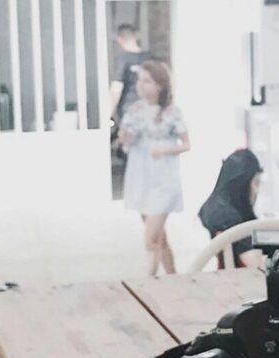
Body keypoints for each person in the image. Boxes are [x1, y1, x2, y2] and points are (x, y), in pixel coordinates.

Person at [119, 61, 190, 276]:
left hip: (164, 179)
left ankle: (147, 282)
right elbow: (125, 141)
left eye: (147, 81)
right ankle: (173, 277)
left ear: (160, 84)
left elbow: (187, 144)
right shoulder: (135, 110)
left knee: (150, 239)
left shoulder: (171, 112)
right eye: (139, 80)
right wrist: (125, 132)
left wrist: (165, 149)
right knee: (159, 237)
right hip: (141, 178)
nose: (141, 86)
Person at [198, 149, 264, 269]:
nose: (256, 191)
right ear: (242, 184)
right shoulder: (228, 219)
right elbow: (257, 268)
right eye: (256, 183)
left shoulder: (215, 208)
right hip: (244, 282)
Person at [109, 24, 151, 126]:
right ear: (135, 37)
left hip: (129, 107)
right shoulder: (150, 58)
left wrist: (109, 113)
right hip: (150, 107)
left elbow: (116, 88)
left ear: (120, 40)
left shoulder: (123, 59)